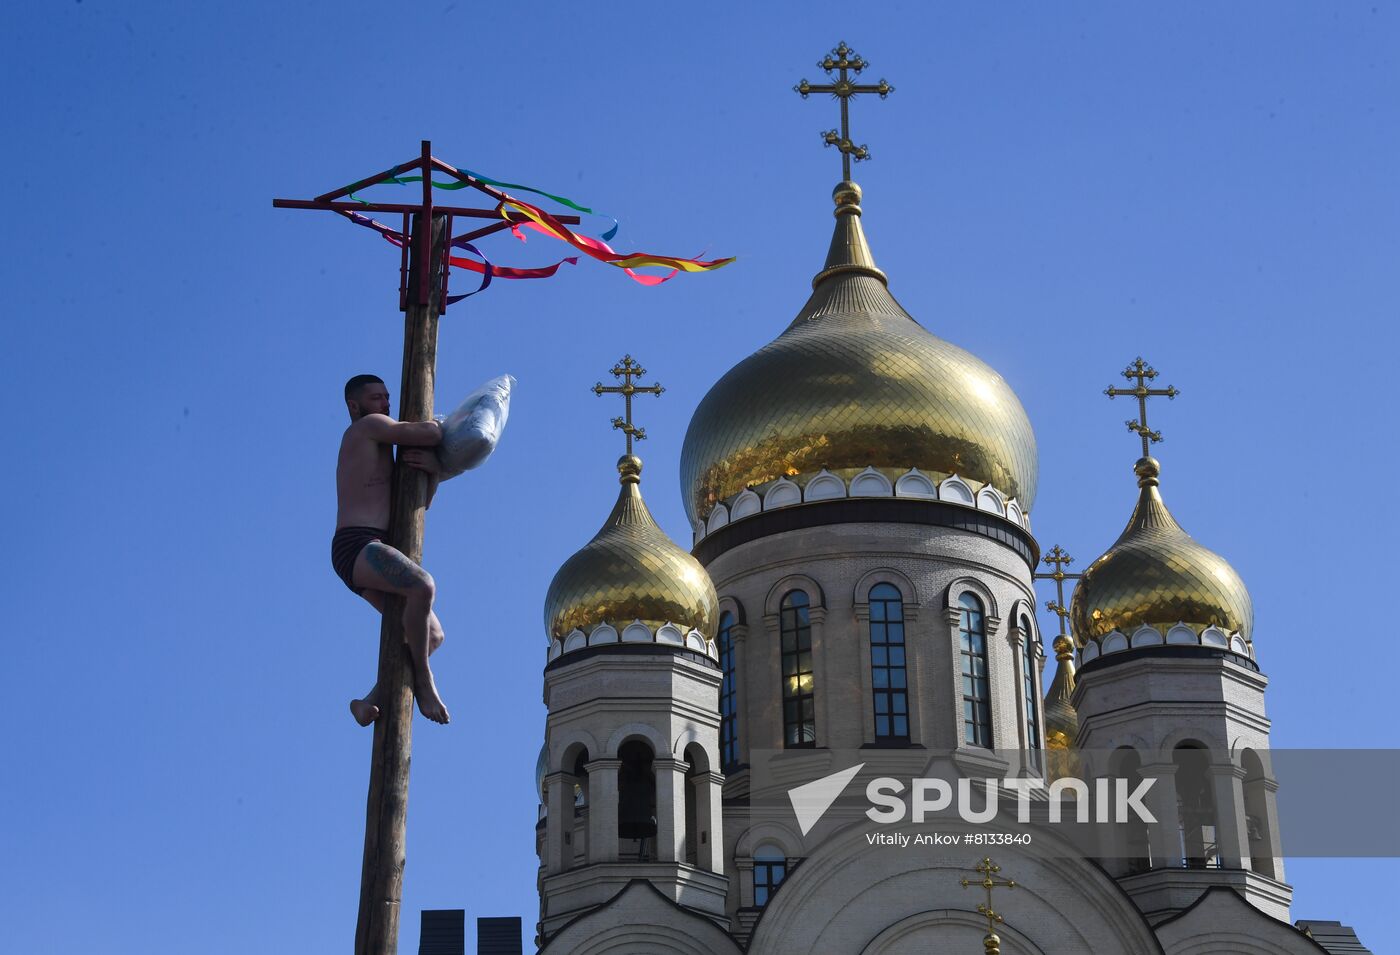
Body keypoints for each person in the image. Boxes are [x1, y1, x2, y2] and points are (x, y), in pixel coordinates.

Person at [332, 373, 450, 726]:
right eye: (375, 398)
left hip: (376, 547)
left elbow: (418, 505)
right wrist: (442, 436)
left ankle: (367, 701)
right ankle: (425, 685)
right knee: (423, 586)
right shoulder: (367, 427)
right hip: (356, 544)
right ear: (355, 406)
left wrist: (434, 474)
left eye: (386, 397)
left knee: (432, 634)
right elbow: (431, 433)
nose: (384, 403)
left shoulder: (384, 448)